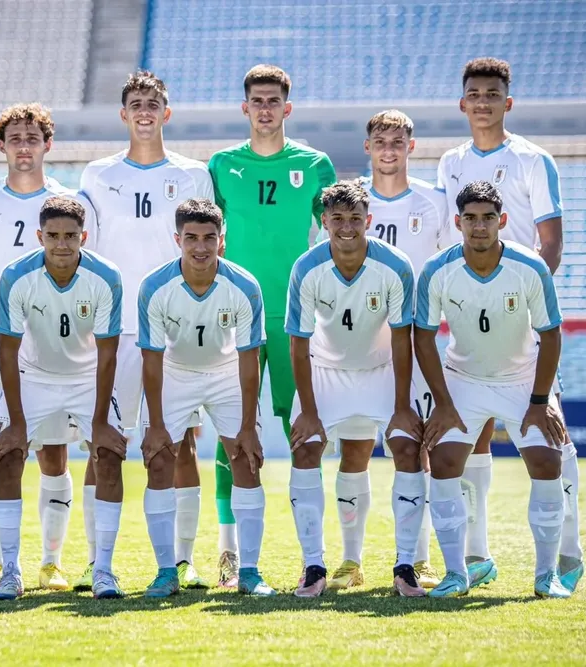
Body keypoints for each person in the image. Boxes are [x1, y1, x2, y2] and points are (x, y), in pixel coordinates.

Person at [435, 58, 581, 593]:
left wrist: (515, 296)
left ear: (507, 102)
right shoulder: (451, 162)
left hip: (523, 315)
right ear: (462, 102)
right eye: (473, 93)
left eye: (492, 93)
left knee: (553, 437)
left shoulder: (531, 160)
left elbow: (551, 243)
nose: (482, 102)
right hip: (472, 321)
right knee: (468, 443)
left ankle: (568, 550)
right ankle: (476, 556)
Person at [77, 71, 214, 591]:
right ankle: (97, 560)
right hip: (113, 331)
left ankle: (182, 560)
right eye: (135, 103)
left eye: (153, 103)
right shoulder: (96, 174)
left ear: (166, 113)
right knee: (104, 445)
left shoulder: (194, 175)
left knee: (181, 445)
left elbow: (205, 250)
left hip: (177, 329)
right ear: (123, 113)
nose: (144, 111)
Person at [207, 64, 337, 587]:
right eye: (256, 100)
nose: (265, 108)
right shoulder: (220, 165)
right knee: (228, 429)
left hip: (294, 315)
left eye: (273, 101)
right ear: (245, 108)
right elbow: (206, 238)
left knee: (302, 428)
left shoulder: (315, 164)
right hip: (232, 312)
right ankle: (228, 550)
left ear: (288, 107)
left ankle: (314, 558)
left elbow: (334, 237)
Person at [414, 181, 571, 599]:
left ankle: (546, 575)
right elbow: (423, 337)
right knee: (444, 462)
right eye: (470, 218)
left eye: (487, 218)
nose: (479, 226)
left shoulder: (531, 267)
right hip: (464, 380)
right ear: (457, 222)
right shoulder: (436, 269)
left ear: (501, 221)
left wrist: (540, 402)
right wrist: (443, 404)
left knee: (546, 462)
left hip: (521, 381)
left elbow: (551, 335)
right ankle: (455, 573)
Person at [314, 110, 449, 591]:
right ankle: (351, 561)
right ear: (367, 147)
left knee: (417, 447)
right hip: (356, 344)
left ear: (411, 146)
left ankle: (419, 556)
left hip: (412, 342)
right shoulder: (349, 205)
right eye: (379, 141)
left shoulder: (434, 201)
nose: (388, 149)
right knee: (353, 448)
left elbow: (447, 269)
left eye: (398, 140)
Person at [0, 103, 93, 592]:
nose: (24, 145)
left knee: (54, 455)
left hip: (51, 340)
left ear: (47, 144)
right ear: (2, 146)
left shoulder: (69, 199)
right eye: (15, 137)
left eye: (32, 137)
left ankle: (51, 562)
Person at [286, 180, 423, 597]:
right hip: (326, 371)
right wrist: (309, 411)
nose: (347, 227)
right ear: (324, 222)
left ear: (370, 220)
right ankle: (314, 565)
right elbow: (298, 341)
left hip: (381, 371)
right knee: (306, 447)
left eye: (355, 218)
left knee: (405, 445)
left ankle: (406, 564)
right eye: (338, 219)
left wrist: (402, 405)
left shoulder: (396, 266)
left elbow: (403, 337)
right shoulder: (306, 268)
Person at [0, 197, 126, 601]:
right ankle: (11, 570)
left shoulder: (106, 276)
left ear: (83, 236)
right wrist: (15, 422)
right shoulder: (16, 276)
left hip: (87, 378)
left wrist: (100, 422)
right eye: (53, 236)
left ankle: (103, 569)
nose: (62, 244)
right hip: (35, 376)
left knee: (109, 456)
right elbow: (8, 352)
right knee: (8, 456)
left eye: (70, 236)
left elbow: (107, 353)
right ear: (39, 236)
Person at [137, 198, 274, 597]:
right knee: (160, 462)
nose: (201, 247)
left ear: (222, 241)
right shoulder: (155, 287)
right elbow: (151, 360)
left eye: (209, 238)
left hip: (226, 373)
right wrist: (157, 425)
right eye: (192, 238)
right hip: (174, 374)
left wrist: (249, 427)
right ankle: (167, 571)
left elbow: (251, 361)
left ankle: (249, 571)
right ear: (177, 240)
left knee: (246, 461)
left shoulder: (244, 286)